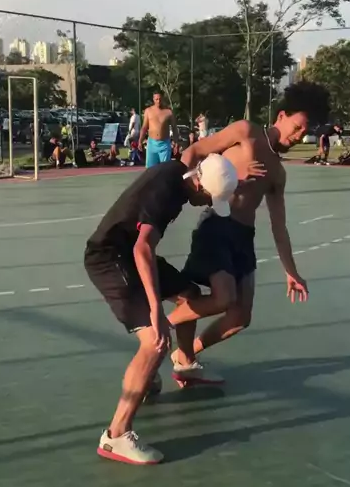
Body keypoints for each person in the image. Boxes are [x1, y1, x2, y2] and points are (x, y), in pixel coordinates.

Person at [84, 151, 265, 465]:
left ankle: (184, 363)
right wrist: (155, 309)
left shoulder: (179, 174)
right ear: (200, 185)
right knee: (155, 341)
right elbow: (142, 248)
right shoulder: (166, 195)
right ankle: (116, 435)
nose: (206, 204)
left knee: (188, 294)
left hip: (127, 253)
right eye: (208, 198)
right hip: (111, 259)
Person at [168, 82, 331, 373]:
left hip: (243, 238)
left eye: (304, 132)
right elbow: (194, 151)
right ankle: (155, 328)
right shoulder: (246, 132)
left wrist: (291, 272)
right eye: (296, 127)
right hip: (216, 226)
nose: (298, 136)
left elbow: (279, 227)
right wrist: (195, 185)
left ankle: (185, 355)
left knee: (240, 317)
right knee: (224, 298)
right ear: (281, 116)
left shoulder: (278, 173)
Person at [139, 92, 178, 167]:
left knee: (164, 168)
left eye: (160, 99)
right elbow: (144, 127)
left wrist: (176, 142)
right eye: (156, 99)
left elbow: (174, 128)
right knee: (150, 169)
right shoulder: (148, 111)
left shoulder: (169, 112)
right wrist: (140, 140)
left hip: (164, 144)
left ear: (162, 99)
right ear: (153, 99)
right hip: (152, 143)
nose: (158, 101)